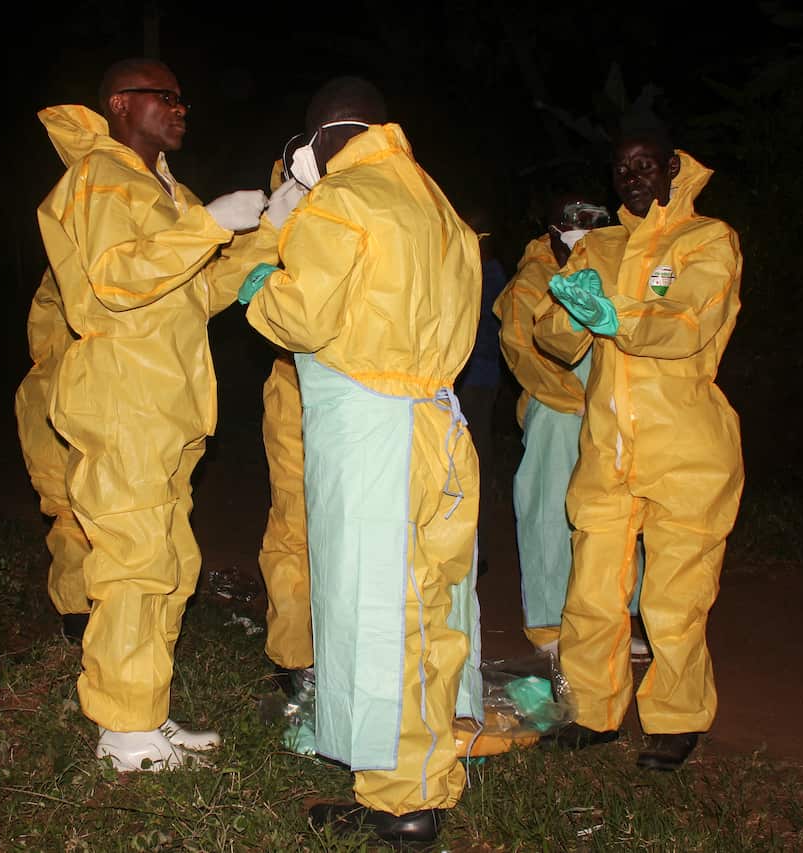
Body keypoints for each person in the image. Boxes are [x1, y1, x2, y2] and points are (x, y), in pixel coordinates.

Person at [239, 76, 483, 845]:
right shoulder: (435, 199)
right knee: (429, 608)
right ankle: (427, 774)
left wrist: (260, 289)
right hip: (438, 423)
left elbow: (302, 312)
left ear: (318, 141)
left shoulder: (342, 199)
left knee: (378, 612)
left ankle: (399, 798)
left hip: (372, 432)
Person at [36, 57, 282, 772]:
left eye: (182, 97)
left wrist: (266, 232)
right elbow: (116, 278)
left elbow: (197, 294)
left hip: (168, 404)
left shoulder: (167, 192)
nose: (180, 109)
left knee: (171, 562)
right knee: (134, 565)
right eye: (164, 97)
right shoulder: (99, 180)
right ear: (120, 103)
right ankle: (123, 733)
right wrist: (207, 225)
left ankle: (147, 712)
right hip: (121, 398)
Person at [533, 117, 743, 771]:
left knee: (675, 594)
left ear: (672, 168)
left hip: (685, 447)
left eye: (644, 164)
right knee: (593, 589)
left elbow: (686, 322)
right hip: (608, 450)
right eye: (621, 167)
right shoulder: (597, 248)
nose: (631, 175)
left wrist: (614, 315)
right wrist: (568, 310)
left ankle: (677, 720)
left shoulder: (708, 240)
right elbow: (554, 336)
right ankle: (593, 711)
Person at [493, 192, 648, 659]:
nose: (587, 228)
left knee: (616, 514)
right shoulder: (535, 275)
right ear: (554, 228)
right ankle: (549, 627)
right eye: (576, 220)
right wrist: (573, 399)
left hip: (610, 413)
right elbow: (520, 346)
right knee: (549, 511)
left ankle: (616, 617)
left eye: (596, 220)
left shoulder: (610, 262)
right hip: (557, 413)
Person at [257, 150, 314, 699]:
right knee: (295, 523)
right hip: (296, 388)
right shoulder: (285, 207)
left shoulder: (364, 199)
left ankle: (351, 652)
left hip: (363, 394)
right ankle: (294, 658)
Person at [13, 267, 92, 644]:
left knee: (70, 512)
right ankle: (85, 615)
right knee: (80, 511)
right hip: (74, 393)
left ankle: (79, 614)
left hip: (51, 390)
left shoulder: (35, 381)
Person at [455, 208, 508, 578]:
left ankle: (477, 549)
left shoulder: (491, 276)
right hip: (461, 382)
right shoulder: (468, 271)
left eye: (481, 237)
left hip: (479, 382)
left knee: (474, 466)